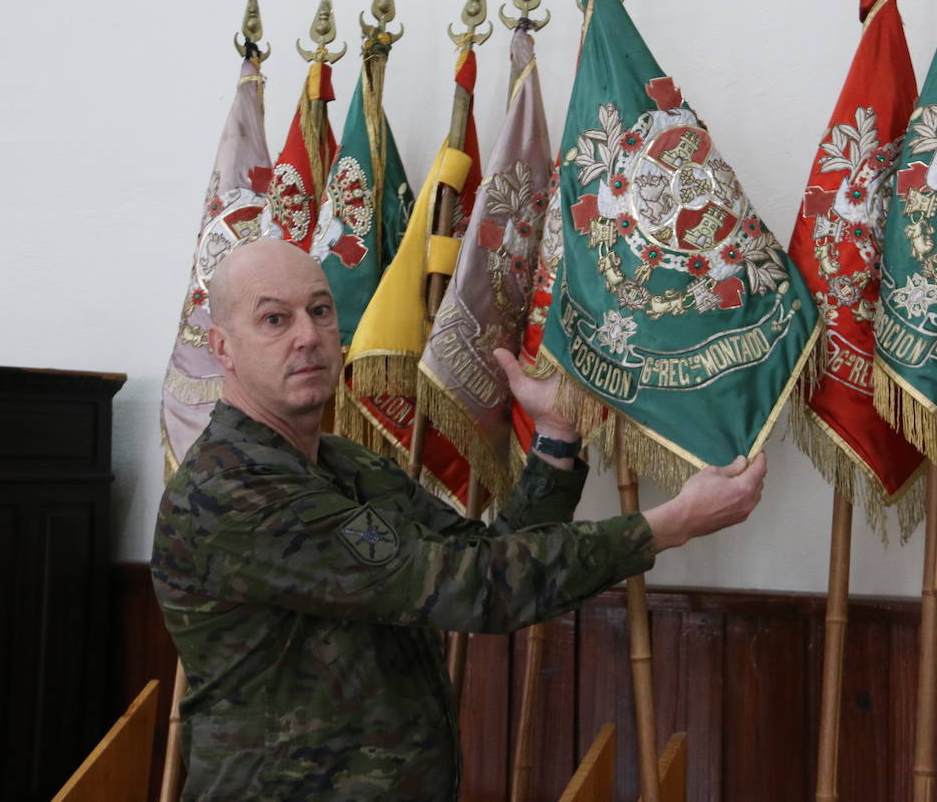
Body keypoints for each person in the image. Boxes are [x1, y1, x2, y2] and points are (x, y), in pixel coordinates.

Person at [151, 238, 767, 800]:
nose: (307, 336)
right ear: (223, 348)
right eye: (274, 319)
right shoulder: (231, 491)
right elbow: (465, 585)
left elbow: (484, 551)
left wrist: (554, 438)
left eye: (319, 310)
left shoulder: (342, 464)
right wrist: (669, 525)